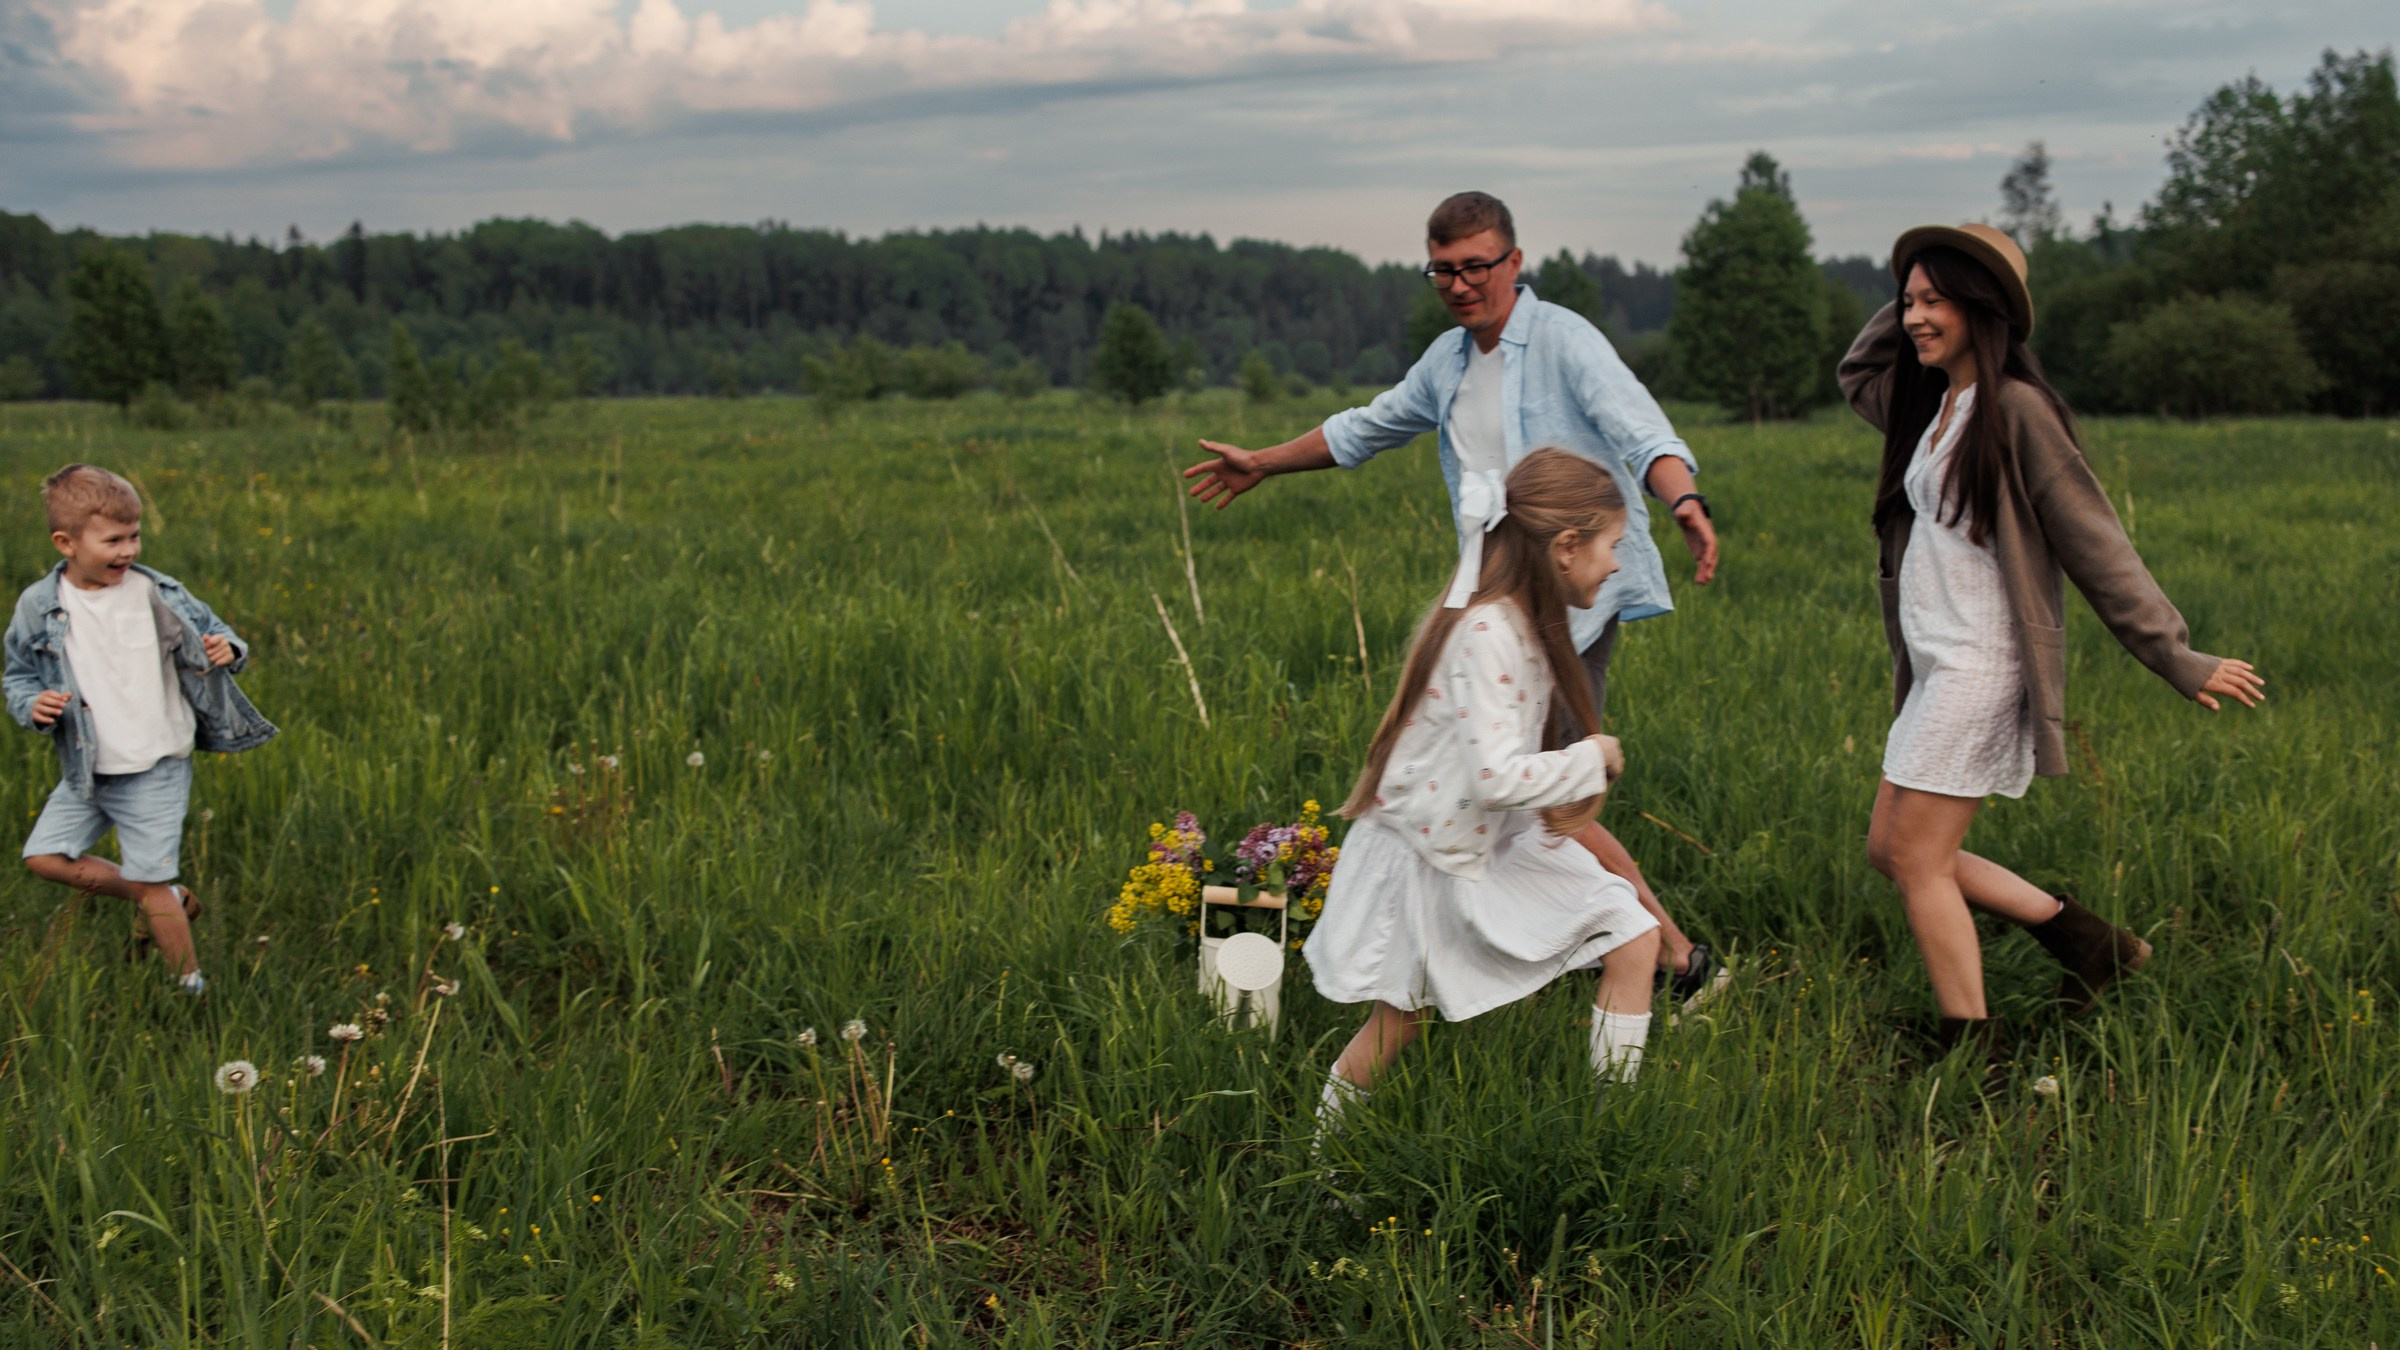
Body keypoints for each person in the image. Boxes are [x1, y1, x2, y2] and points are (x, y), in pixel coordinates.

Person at [1186, 190, 1725, 1005]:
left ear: (1514, 262)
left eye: (1478, 266)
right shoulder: (1447, 361)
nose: (1462, 283)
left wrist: (1686, 502)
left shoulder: (1565, 341)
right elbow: (1365, 428)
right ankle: (1598, 951)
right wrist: (1262, 461)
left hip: (1572, 607)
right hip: (1490, 608)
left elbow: (1641, 429)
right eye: (1444, 270)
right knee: (1510, 797)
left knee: (1551, 801)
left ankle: (1668, 960)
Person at [1837, 224, 2264, 1049]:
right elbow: (1857, 371)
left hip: (1978, 665)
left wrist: (2177, 655)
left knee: (1919, 863)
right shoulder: (1931, 405)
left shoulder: (2018, 412)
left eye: (1934, 301)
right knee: (1890, 850)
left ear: (1981, 307)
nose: (1915, 317)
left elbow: (2096, 544)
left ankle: (1973, 1046)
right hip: (1934, 667)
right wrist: (1919, 277)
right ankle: (2087, 942)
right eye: (1908, 301)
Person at [1306, 450, 1663, 1142]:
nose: (1617, 564)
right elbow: (1497, 776)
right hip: (1429, 856)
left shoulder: (1520, 625)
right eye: (1612, 546)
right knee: (1397, 1023)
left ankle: (1609, 1138)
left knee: (1634, 936)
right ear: (1566, 547)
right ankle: (1322, 1159)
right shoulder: (1486, 634)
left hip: (1485, 839)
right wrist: (1592, 759)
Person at [4, 465, 278, 994]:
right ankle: (160, 896)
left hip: (157, 762)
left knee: (155, 879)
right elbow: (16, 675)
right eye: (113, 540)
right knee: (43, 857)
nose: (128, 550)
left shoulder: (157, 592)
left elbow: (217, 633)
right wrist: (32, 703)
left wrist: (228, 649)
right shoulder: (40, 606)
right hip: (89, 768)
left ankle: (191, 994)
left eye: (134, 535)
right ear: (66, 543)